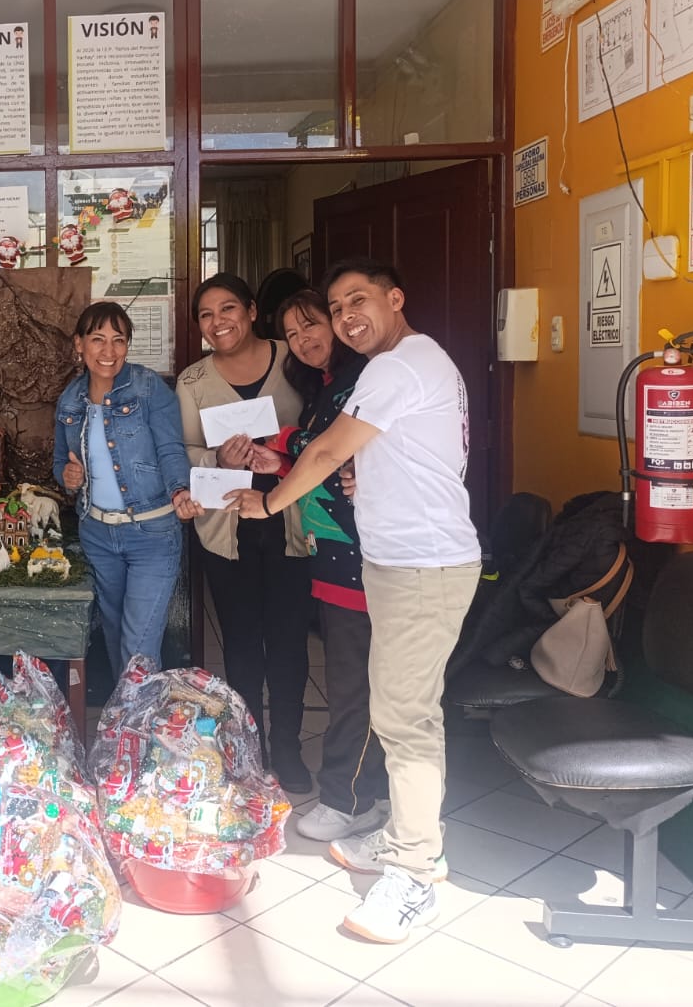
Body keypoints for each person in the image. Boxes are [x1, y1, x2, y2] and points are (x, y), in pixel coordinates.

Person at [230, 258, 480, 945]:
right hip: (399, 561)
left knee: (406, 718)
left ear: (396, 299)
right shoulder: (405, 366)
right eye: (337, 307)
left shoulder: (399, 366)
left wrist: (267, 504)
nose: (346, 318)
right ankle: (403, 835)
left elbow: (325, 451)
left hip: (424, 565)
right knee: (396, 708)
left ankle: (415, 872)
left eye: (357, 301)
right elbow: (361, 457)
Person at [244, 288, 387, 840]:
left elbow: (328, 449)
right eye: (292, 334)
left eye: (311, 325)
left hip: (357, 555)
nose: (303, 340)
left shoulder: (362, 380)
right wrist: (282, 462)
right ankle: (367, 794)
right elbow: (324, 463)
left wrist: (285, 441)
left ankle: (347, 800)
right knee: (355, 678)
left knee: (354, 684)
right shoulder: (329, 385)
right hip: (332, 553)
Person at [175, 273, 313, 792]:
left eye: (228, 309)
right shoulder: (193, 381)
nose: (218, 322)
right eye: (206, 315)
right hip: (227, 529)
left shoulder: (294, 358)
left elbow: (326, 432)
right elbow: (185, 450)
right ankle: (249, 747)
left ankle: (289, 748)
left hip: (291, 522)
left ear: (253, 311)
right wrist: (218, 459)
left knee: (289, 640)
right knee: (240, 643)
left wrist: (285, 449)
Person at [54, 301, 201, 678]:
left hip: (151, 532)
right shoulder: (70, 399)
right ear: (79, 344)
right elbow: (59, 463)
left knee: (139, 648)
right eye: (98, 339)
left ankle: (137, 714)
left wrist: (180, 490)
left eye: (118, 340)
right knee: (116, 633)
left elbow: (170, 448)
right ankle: (131, 712)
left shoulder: (148, 387)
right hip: (97, 533)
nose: (109, 350)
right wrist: (68, 476)